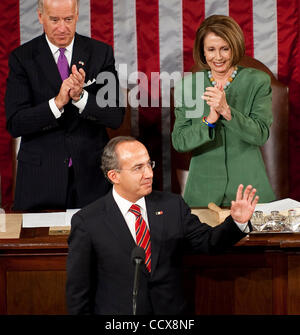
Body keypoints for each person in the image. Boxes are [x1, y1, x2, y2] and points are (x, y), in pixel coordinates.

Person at [66, 135, 258, 315]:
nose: (149, 173)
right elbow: (78, 293)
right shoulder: (88, 221)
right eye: (138, 168)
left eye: (149, 164)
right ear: (114, 176)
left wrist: (237, 222)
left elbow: (209, 242)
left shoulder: (172, 206)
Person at [5, 0, 124, 211]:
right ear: (40, 17)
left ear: (77, 15)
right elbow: (15, 123)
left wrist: (81, 98)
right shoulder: (22, 58)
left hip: (91, 179)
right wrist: (57, 103)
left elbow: (115, 116)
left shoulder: (100, 53)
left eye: (68, 19)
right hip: (40, 181)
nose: (62, 28)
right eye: (55, 19)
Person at [172, 14, 275, 207]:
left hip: (249, 191)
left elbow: (260, 134)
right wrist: (209, 119)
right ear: (202, 52)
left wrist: (227, 112)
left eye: (224, 49)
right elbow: (180, 141)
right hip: (202, 194)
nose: (217, 57)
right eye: (211, 49)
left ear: (234, 48)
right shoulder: (188, 86)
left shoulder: (257, 82)